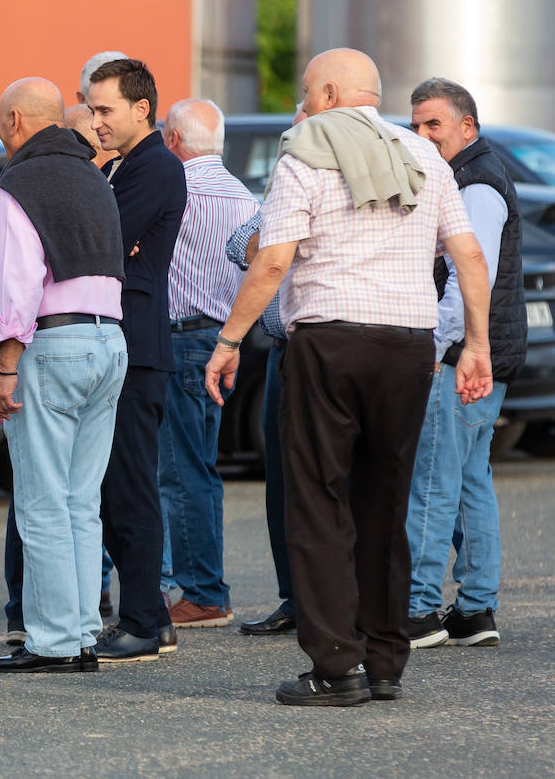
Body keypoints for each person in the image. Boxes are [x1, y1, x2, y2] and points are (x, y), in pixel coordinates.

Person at [206, 48, 493, 706]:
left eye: (307, 91)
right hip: (407, 347)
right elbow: (469, 254)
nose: (301, 105)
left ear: (332, 92)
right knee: (384, 502)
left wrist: (229, 340)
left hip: (331, 342)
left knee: (317, 503)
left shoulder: (305, 152)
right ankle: (385, 661)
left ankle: (337, 667)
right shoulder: (423, 156)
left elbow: (274, 261)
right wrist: (473, 342)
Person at [0, 78, 127, 674]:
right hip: (109, 340)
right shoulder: (94, 175)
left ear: (16, 121)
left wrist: (4, 366)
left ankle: (55, 642)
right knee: (81, 501)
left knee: (40, 503)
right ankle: (84, 630)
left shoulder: (20, 183)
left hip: (53, 344)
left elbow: (17, 283)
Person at [404, 78, 525, 650]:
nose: (423, 135)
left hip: (463, 356)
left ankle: (418, 608)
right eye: (416, 125)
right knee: (471, 479)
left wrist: (434, 350)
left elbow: (467, 277)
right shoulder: (469, 174)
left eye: (435, 124)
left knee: (432, 481)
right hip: (483, 353)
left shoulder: (476, 181)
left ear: (467, 127)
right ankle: (476, 610)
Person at [81, 58, 186, 663]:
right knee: (116, 488)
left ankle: (144, 620)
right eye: (91, 109)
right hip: (123, 336)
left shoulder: (155, 165)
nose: (96, 122)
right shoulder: (121, 165)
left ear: (141, 108)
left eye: (104, 110)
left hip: (138, 345)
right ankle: (149, 615)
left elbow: (102, 243)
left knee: (129, 487)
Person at [157, 100, 258, 629]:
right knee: (200, 467)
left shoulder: (175, 190)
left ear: (174, 139)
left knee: (178, 471)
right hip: (221, 340)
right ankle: (199, 585)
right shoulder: (243, 195)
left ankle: (202, 591)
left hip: (178, 341)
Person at [233, 102, 306, 639]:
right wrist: (281, 229)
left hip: (322, 345)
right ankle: (294, 596)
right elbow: (243, 246)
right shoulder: (290, 179)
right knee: (280, 478)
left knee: (330, 480)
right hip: (284, 350)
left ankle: (340, 600)